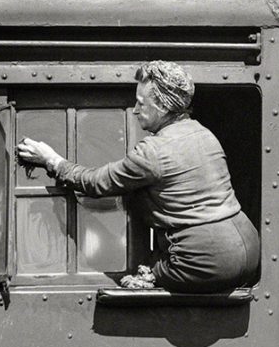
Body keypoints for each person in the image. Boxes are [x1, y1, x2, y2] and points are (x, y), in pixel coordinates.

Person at [16, 61, 259, 293]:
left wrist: (52, 160)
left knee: (140, 279)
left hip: (204, 263)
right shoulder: (204, 134)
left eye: (141, 104)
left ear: (162, 107)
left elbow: (96, 182)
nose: (134, 110)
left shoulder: (153, 152)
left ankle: (155, 275)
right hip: (249, 248)